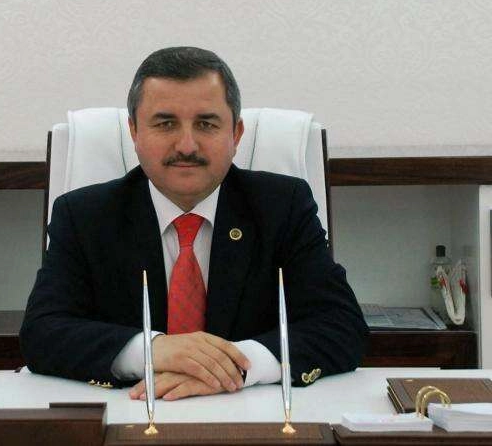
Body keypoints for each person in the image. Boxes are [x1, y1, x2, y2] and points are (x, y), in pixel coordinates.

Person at [20, 47, 368, 401]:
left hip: (250, 413)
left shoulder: (282, 206)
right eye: (165, 123)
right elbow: (43, 331)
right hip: (132, 410)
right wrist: (151, 350)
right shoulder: (84, 216)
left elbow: (341, 325)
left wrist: (234, 366)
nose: (186, 146)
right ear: (134, 132)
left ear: (236, 134)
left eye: (206, 124)